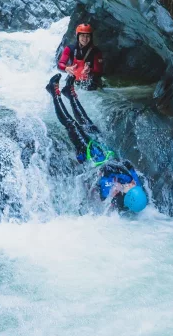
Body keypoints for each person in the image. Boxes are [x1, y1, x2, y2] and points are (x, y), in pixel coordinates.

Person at [46, 73, 148, 213]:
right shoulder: (134, 186)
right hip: (103, 149)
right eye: (133, 185)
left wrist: (121, 180)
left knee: (72, 125)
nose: (131, 185)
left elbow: (108, 168)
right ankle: (69, 92)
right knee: (86, 122)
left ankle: (54, 92)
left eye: (129, 188)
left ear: (126, 196)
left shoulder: (109, 194)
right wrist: (127, 178)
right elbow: (127, 164)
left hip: (89, 154)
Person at [57, 23, 104, 91]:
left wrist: (89, 70)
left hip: (91, 83)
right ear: (78, 36)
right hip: (73, 81)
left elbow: (99, 72)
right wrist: (66, 68)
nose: (85, 38)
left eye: (87, 36)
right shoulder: (69, 49)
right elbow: (60, 64)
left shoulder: (96, 51)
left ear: (91, 37)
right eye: (82, 35)